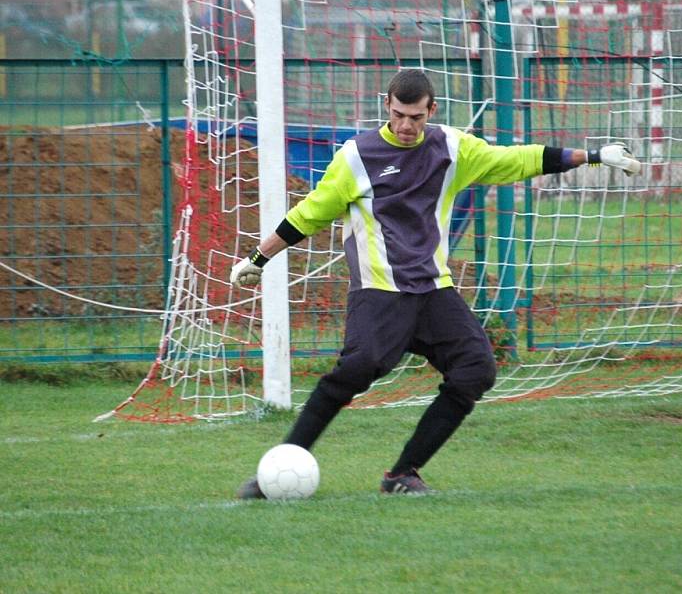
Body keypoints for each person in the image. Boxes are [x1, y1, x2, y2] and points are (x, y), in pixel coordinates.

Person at [230, 69, 640, 497]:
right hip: (379, 292)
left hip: (432, 290)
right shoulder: (357, 156)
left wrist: (592, 155)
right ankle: (274, 474)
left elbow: (517, 160)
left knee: (476, 371)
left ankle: (403, 474)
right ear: (386, 107)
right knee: (354, 372)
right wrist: (259, 258)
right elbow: (310, 213)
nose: (406, 126)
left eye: (416, 117)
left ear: (432, 110)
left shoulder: (453, 148)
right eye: (398, 115)